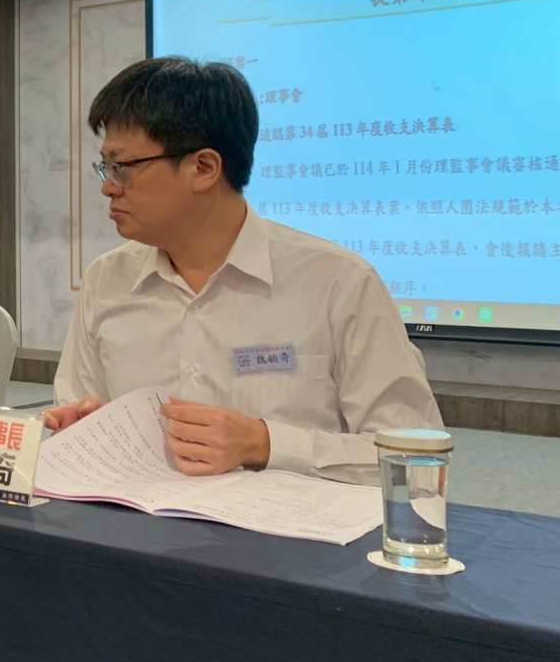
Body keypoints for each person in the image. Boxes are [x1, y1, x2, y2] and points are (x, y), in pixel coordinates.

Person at [45, 56, 441, 484]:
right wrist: (81, 433)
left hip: (290, 524)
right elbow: (78, 414)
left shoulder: (339, 283)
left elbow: (415, 460)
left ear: (204, 168)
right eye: (105, 167)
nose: (108, 186)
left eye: (122, 167)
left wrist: (265, 444)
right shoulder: (107, 280)